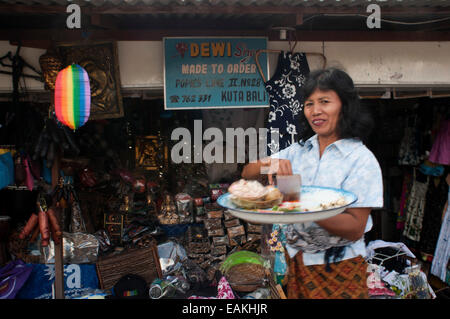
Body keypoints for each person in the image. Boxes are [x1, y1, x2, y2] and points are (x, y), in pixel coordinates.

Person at [242, 67, 383, 299]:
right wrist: (270, 165)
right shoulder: (298, 152)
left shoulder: (361, 160)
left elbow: (355, 227)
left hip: (340, 269)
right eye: (309, 103)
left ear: (344, 106)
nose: (316, 110)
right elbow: (247, 173)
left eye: (325, 101)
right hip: (298, 264)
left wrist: (300, 206)